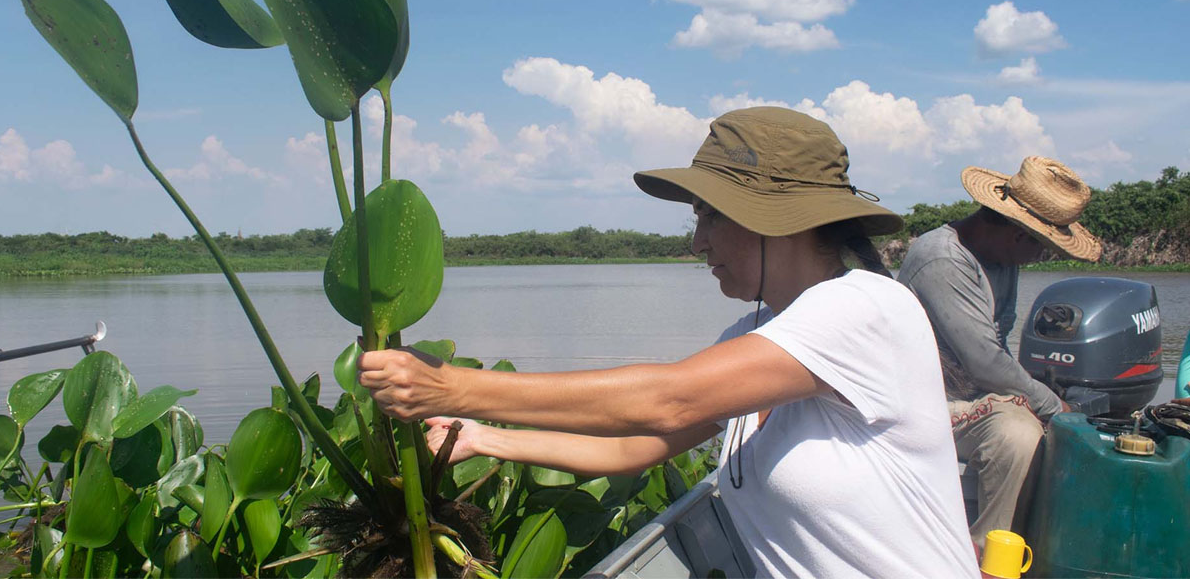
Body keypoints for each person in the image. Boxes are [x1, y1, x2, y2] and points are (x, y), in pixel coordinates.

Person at [359, 107, 978, 578]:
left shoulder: (867, 306)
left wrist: (455, 386)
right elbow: (640, 444)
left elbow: (670, 400)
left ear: (779, 218)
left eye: (711, 216)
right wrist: (483, 436)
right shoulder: (753, 339)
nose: (696, 243)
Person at [897, 156, 1102, 547]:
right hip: (926, 403)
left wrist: (1038, 401)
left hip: (972, 400)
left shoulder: (1002, 259)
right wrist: (1053, 405)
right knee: (1017, 432)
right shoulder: (943, 258)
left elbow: (998, 347)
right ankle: (987, 555)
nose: (1041, 258)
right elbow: (986, 363)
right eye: (1042, 248)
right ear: (1018, 234)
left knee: (1060, 431)